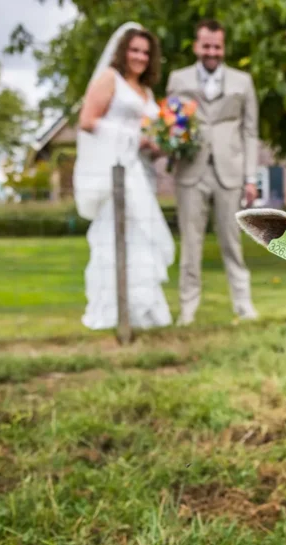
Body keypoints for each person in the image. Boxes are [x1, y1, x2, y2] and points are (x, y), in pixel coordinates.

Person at [73, 22, 175, 331]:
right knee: (117, 236)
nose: (140, 57)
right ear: (122, 50)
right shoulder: (109, 80)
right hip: (116, 172)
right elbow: (87, 121)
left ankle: (143, 311)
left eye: (145, 52)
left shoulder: (146, 91)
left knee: (142, 236)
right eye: (134, 50)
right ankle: (112, 310)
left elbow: (149, 135)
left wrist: (161, 146)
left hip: (140, 172)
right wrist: (133, 137)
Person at [166, 19, 260, 325]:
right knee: (190, 243)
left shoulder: (242, 81)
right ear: (196, 46)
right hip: (191, 171)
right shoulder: (177, 80)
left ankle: (244, 305)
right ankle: (188, 310)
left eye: (217, 46)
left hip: (229, 172)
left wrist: (250, 178)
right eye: (206, 46)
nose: (211, 52)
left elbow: (250, 132)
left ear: (223, 47)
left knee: (232, 241)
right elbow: (169, 126)